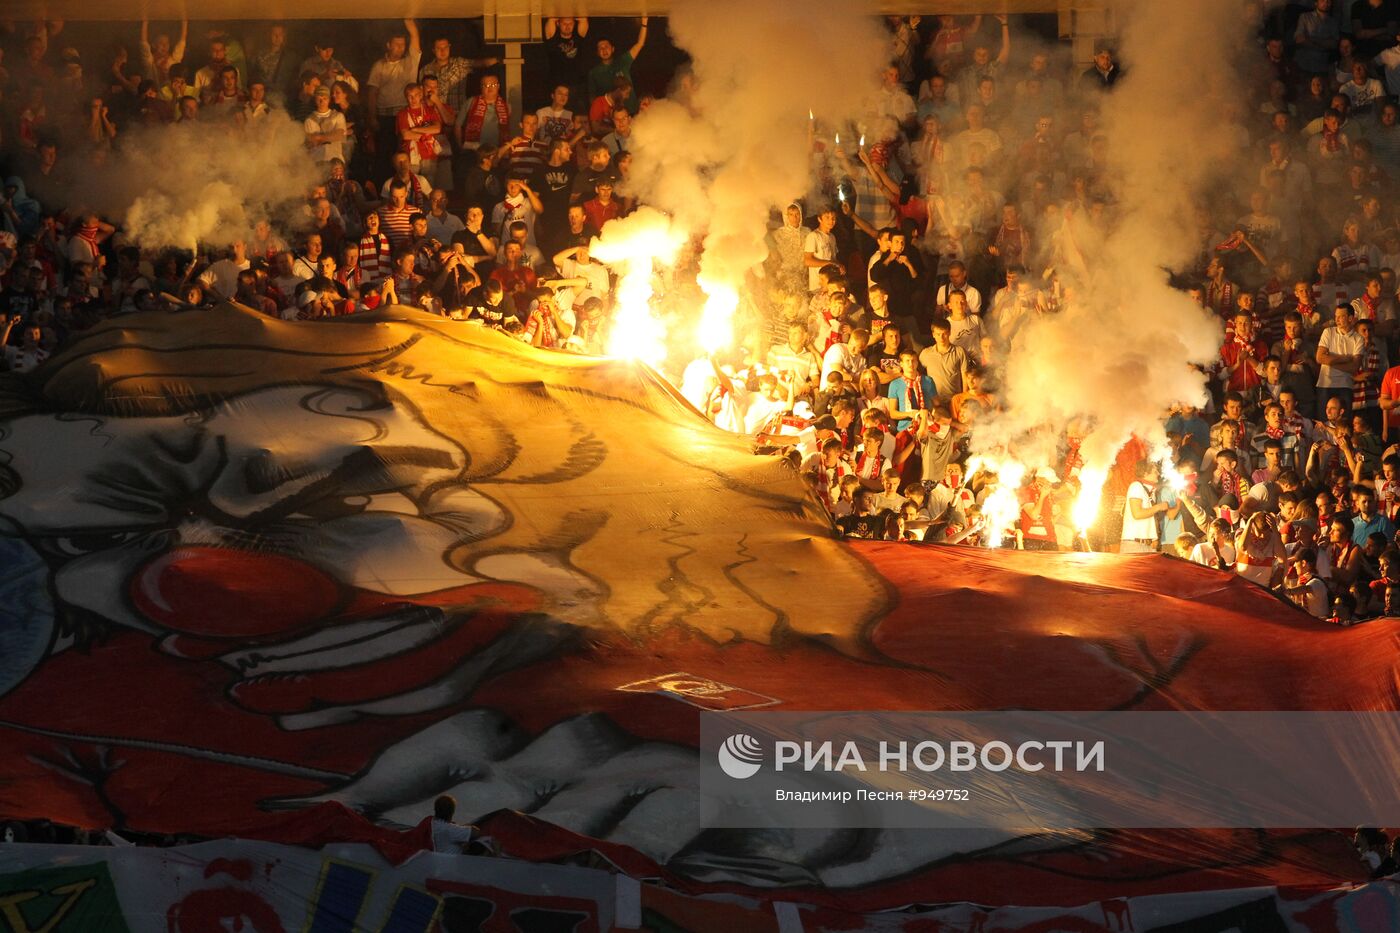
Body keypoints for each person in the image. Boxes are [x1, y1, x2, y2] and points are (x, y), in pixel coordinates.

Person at [365, 19, 422, 178]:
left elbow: (415, 44)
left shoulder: (409, 62)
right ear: (388, 45)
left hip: (405, 116)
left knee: (405, 153)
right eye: (396, 45)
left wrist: (411, 24)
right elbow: (372, 93)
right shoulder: (379, 66)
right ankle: (384, 188)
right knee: (385, 154)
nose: (400, 48)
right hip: (385, 116)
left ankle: (407, 186)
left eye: (402, 45)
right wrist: (372, 117)